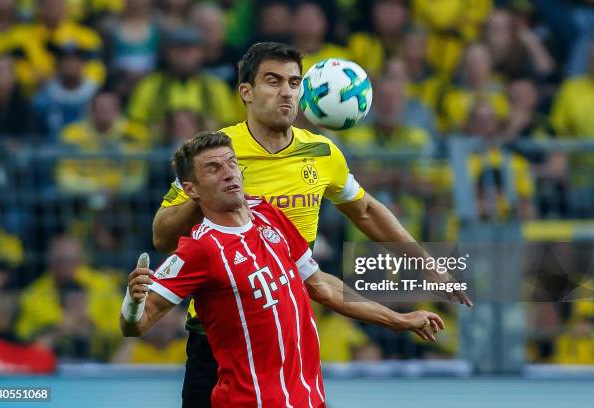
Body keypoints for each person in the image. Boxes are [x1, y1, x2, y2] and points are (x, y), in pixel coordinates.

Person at [151, 42, 472, 407]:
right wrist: (206, 193)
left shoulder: (322, 152)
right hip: (220, 336)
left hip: (289, 334)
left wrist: (426, 264)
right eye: (273, 81)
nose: (286, 91)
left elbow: (365, 210)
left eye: (293, 82)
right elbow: (162, 236)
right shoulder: (215, 155)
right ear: (247, 91)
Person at [121, 131, 445, 407]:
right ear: (191, 189)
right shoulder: (199, 249)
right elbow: (136, 324)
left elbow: (322, 286)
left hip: (307, 397)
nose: (229, 173)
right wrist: (133, 303)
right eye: (213, 168)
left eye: (232, 163)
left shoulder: (269, 215)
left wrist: (399, 319)